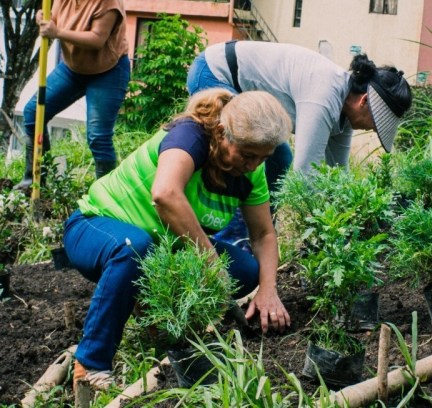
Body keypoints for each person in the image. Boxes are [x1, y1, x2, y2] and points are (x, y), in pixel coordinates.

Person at [63, 89, 293, 389]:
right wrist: (210, 261)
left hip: (161, 245)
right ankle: (91, 364)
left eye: (264, 158)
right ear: (222, 132)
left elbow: (263, 234)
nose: (253, 166)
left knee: (245, 271)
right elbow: (165, 194)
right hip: (96, 228)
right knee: (134, 249)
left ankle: (164, 325)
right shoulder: (190, 136)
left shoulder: (251, 172)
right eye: (248, 155)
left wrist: (268, 290)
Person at [187, 40, 413, 248]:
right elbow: (306, 175)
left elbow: (338, 177)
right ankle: (232, 244)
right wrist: (325, 235)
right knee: (242, 159)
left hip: (238, 86)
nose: (373, 129)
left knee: (279, 159)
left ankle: (260, 235)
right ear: (364, 101)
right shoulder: (324, 97)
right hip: (216, 73)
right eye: (376, 122)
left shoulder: (344, 112)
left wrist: (356, 221)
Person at [14, 0, 130, 192]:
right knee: (33, 112)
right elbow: (54, 18)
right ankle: (33, 180)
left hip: (108, 71)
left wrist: (57, 32)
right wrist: (43, 19)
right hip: (72, 68)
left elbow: (97, 39)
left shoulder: (108, 2)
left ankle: (107, 195)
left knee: (98, 136)